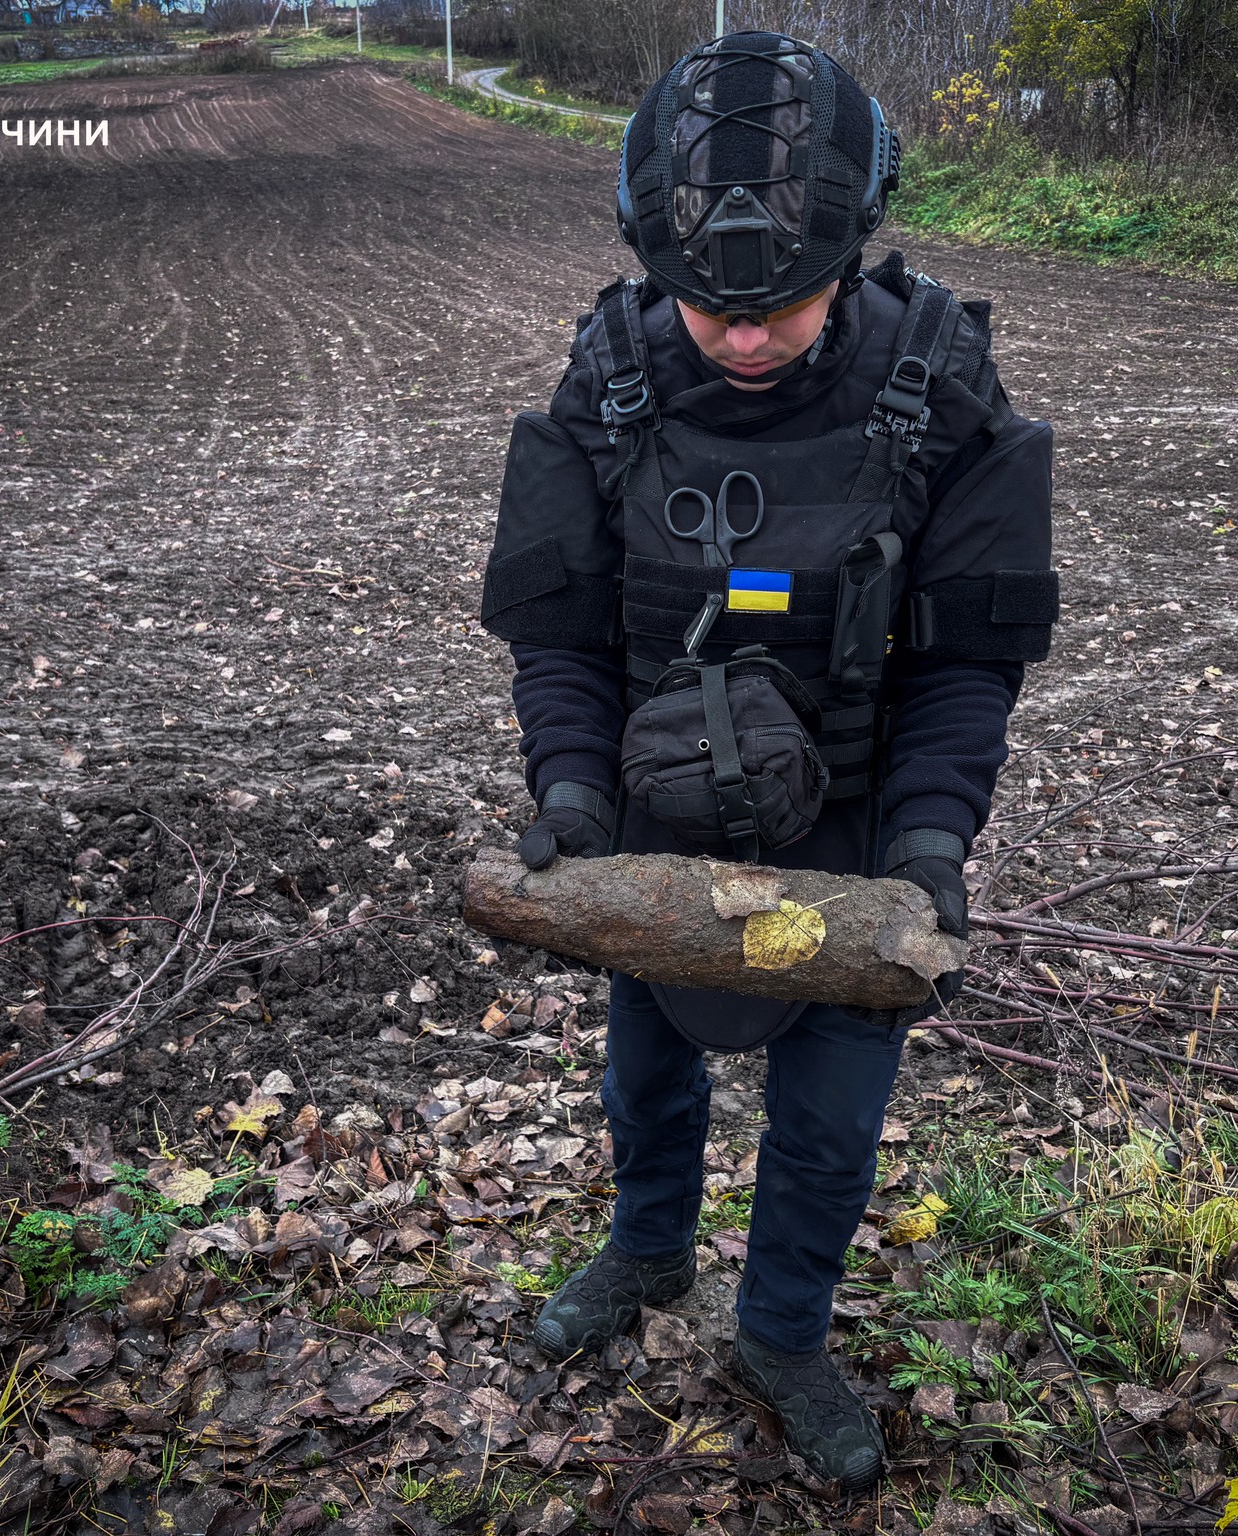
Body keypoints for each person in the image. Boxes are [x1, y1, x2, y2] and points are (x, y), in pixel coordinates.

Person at [477, 31, 1057, 1498]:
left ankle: (783, 1333)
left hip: (852, 827)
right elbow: (560, 636)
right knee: (647, 1074)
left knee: (830, 1122)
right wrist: (571, 794)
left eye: (783, 307)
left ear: (856, 248)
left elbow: (965, 664)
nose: (739, 338)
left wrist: (931, 847)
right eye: (706, 309)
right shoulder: (607, 380)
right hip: (660, 820)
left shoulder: (946, 392)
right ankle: (649, 1250)